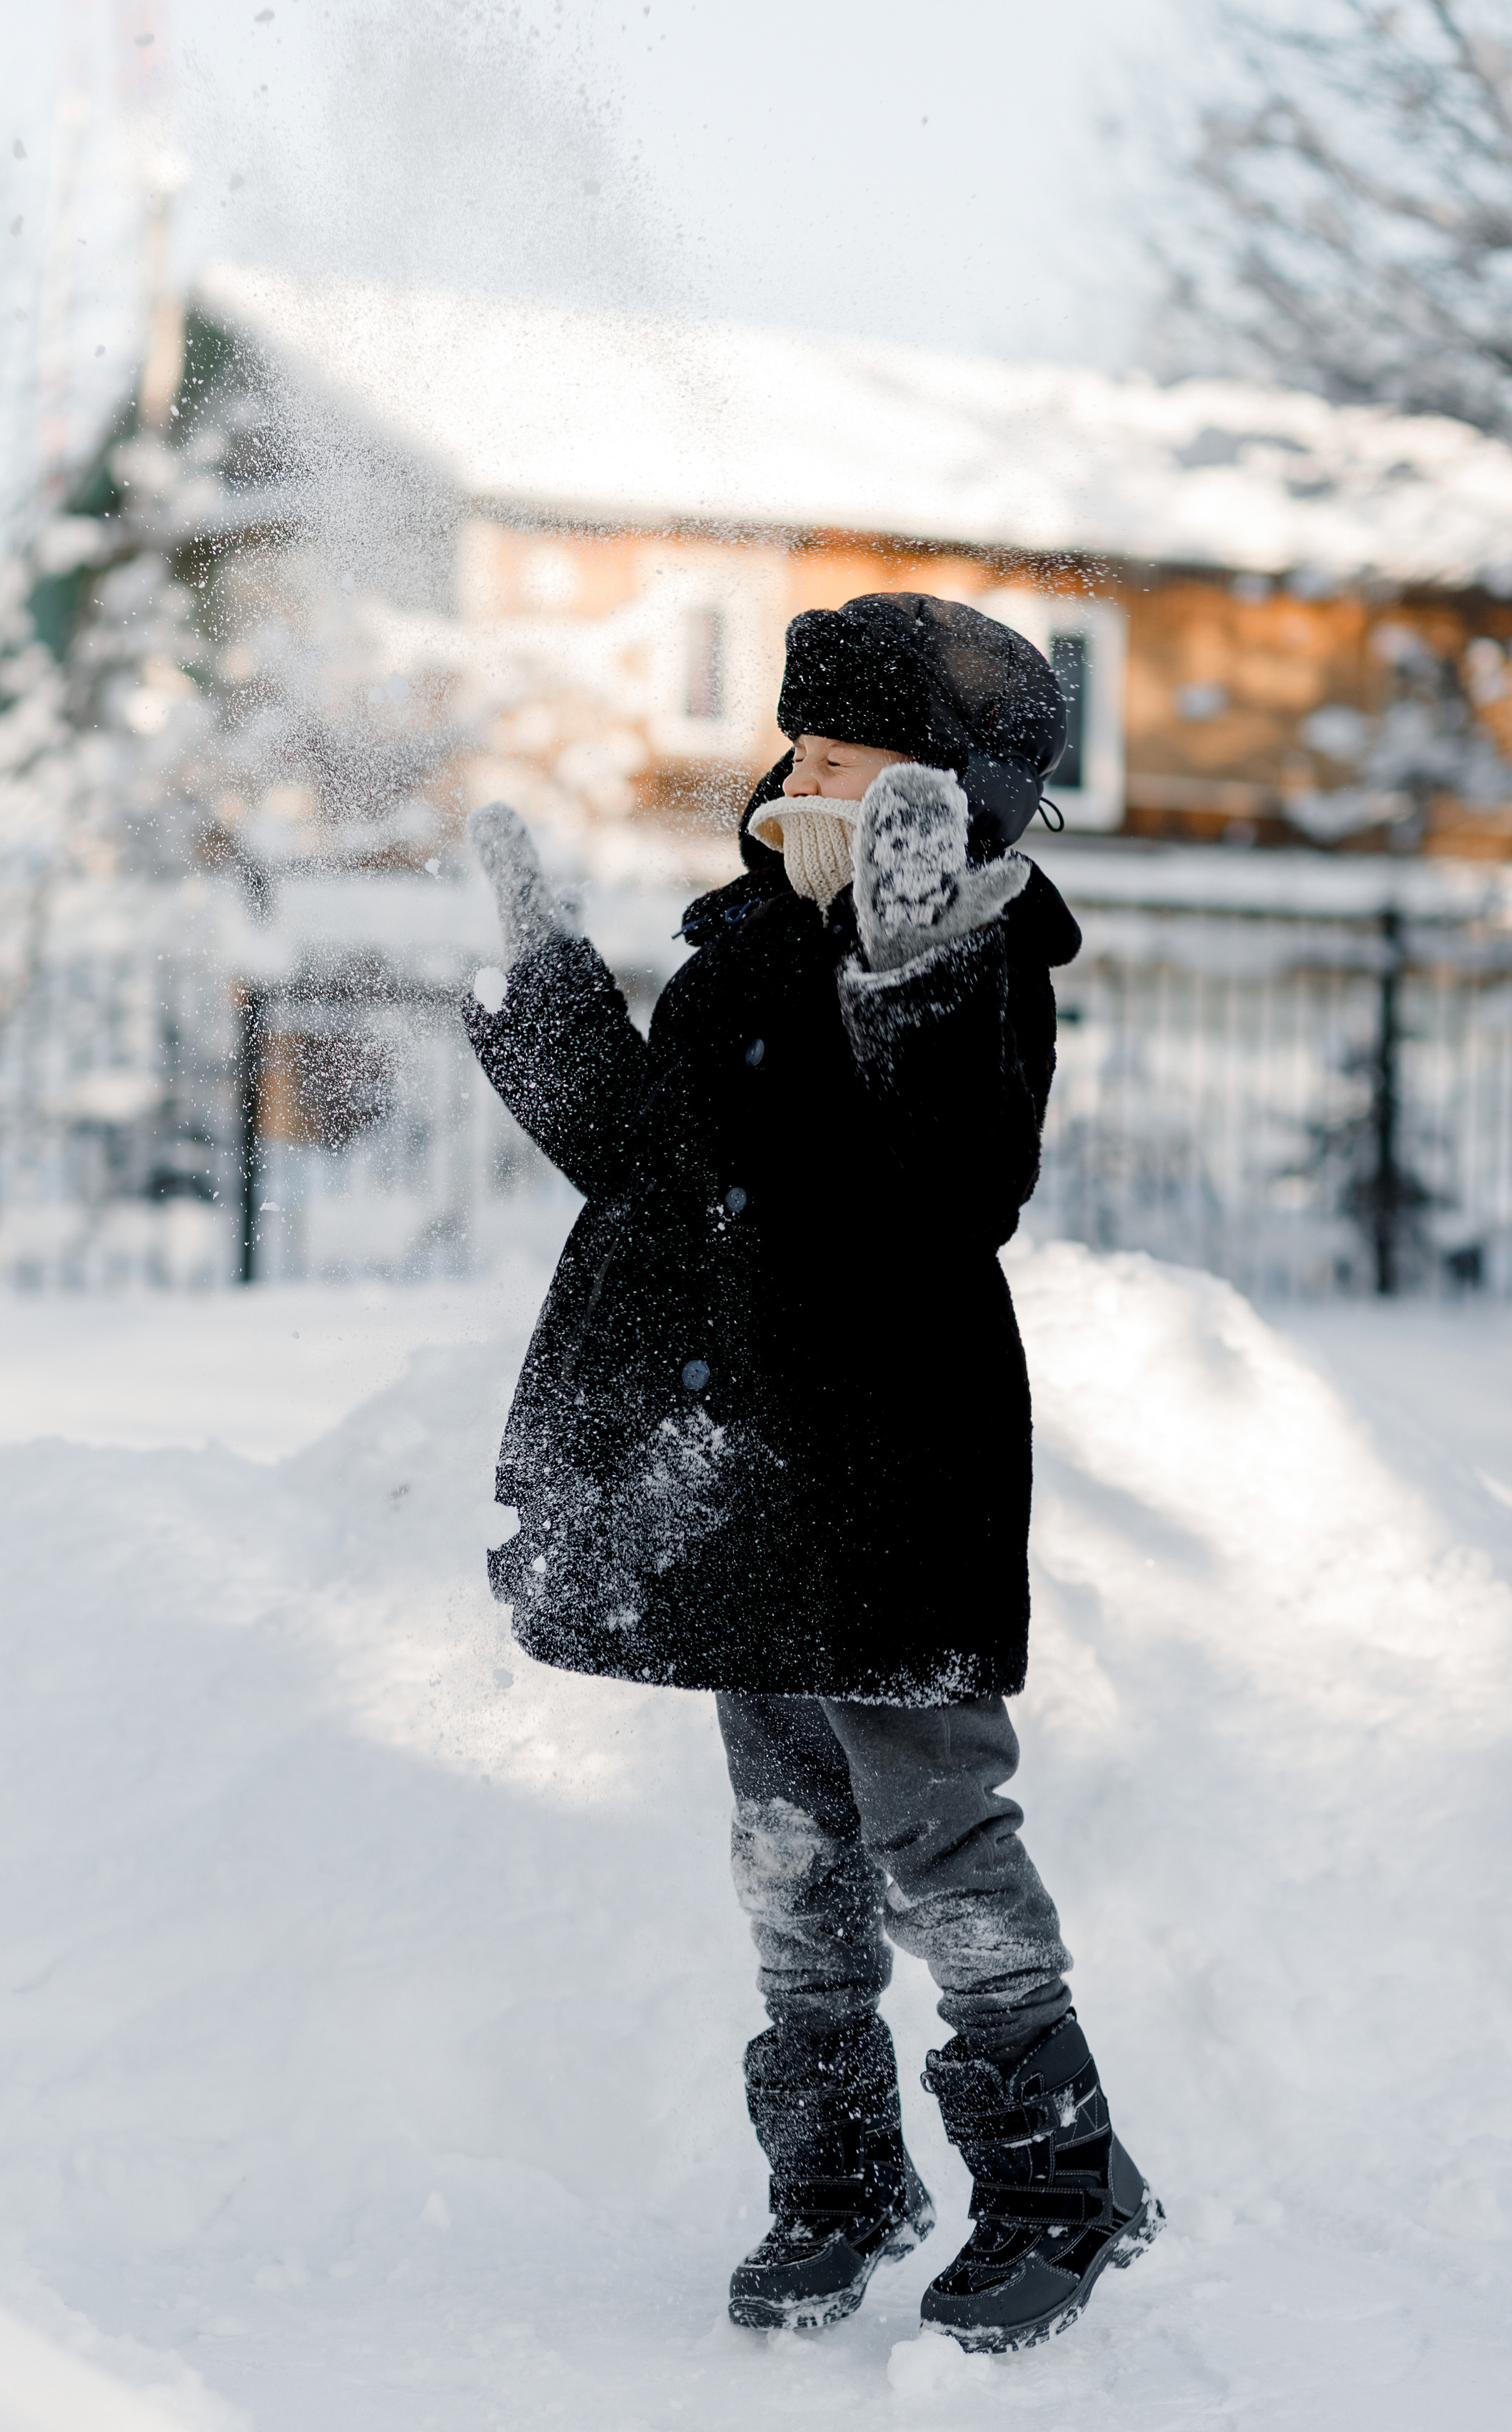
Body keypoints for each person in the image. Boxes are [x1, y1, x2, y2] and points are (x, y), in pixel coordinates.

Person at [460, 592, 1162, 2353]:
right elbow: (647, 1168)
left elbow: (955, 1188)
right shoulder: (744, 951)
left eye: (846, 755)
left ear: (949, 801)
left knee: (932, 1835)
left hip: (889, 1475)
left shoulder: (980, 965)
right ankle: (838, 2176)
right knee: (788, 1850)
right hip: (749, 1477)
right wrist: (542, 990)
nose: (802, 771)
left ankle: (1059, 2182)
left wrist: (910, 972)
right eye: (802, 747)